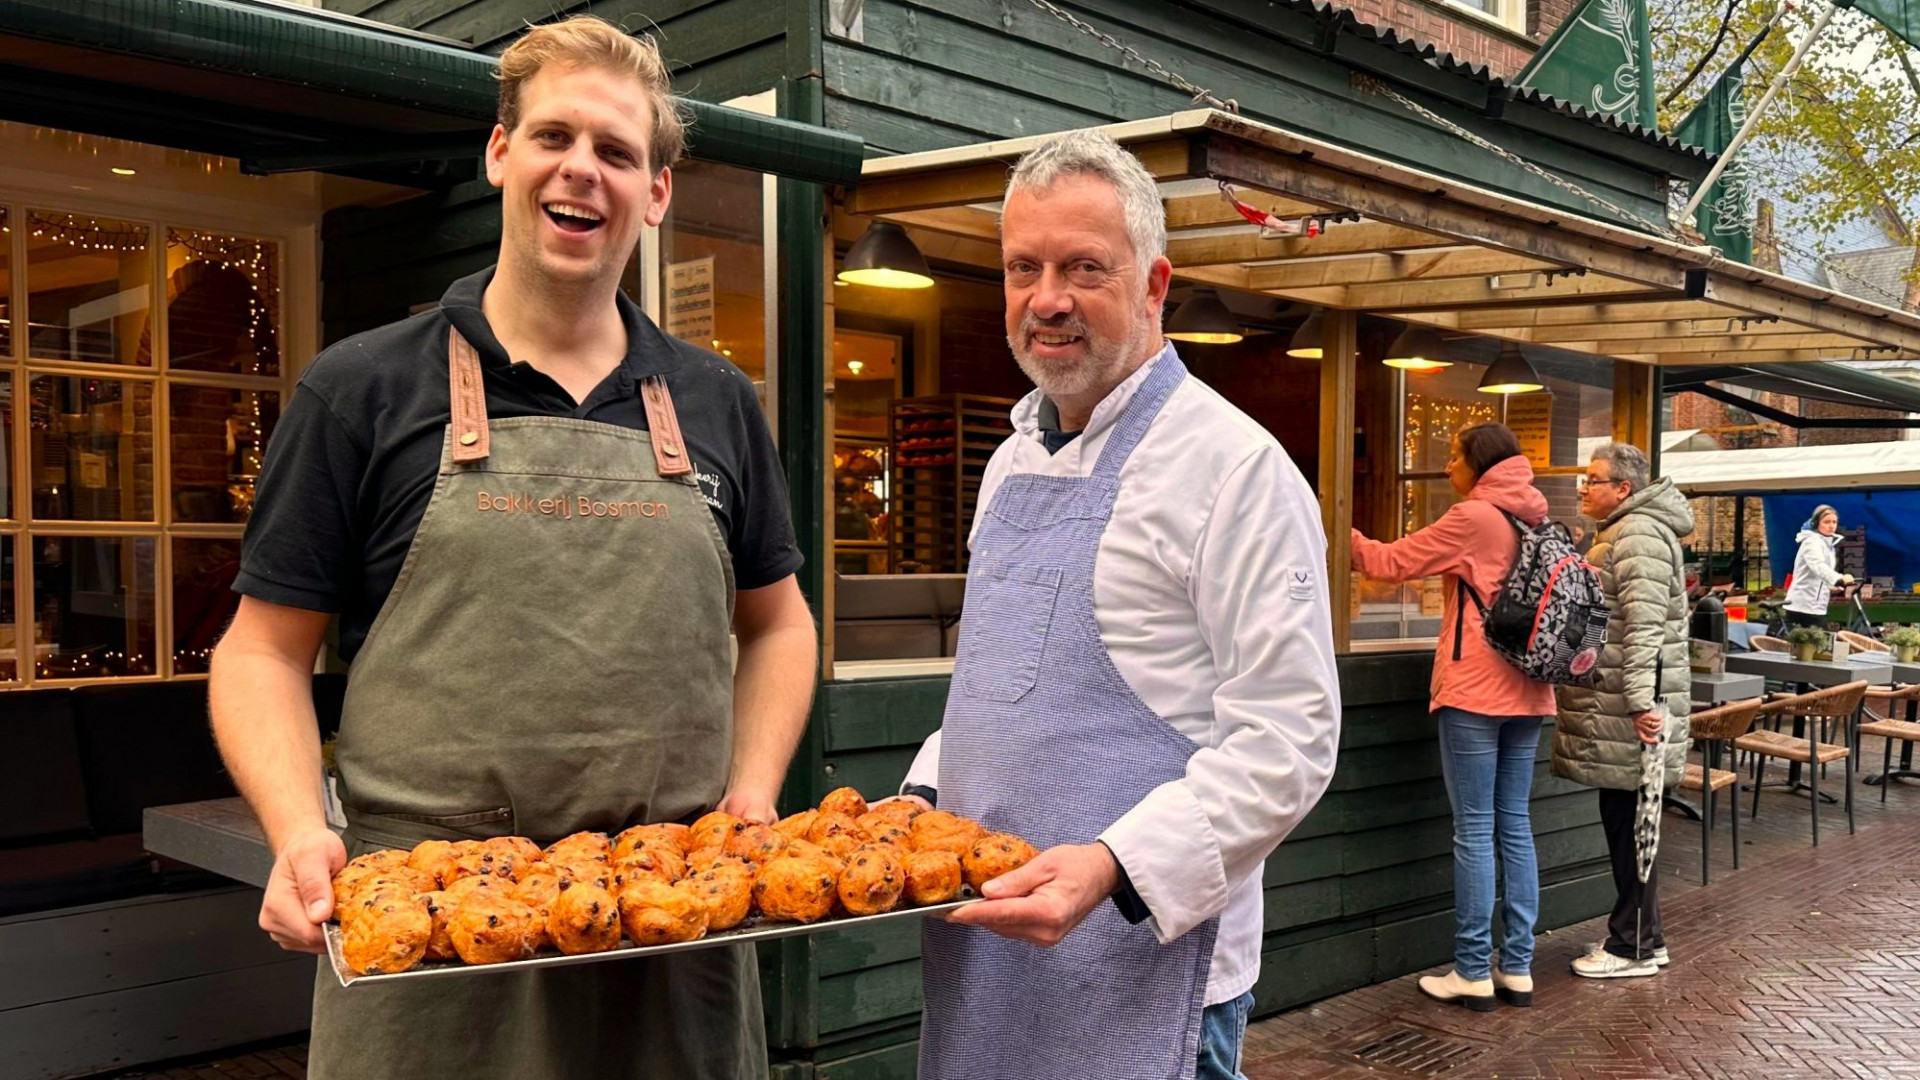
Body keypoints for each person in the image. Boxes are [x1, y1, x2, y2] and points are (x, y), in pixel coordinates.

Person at [207, 17, 817, 1078]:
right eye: (554, 136)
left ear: (656, 192)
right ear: (501, 155)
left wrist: (753, 795)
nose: (583, 169)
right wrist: (299, 828)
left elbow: (779, 623)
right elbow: (260, 652)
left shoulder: (716, 400)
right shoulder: (361, 391)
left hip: (673, 943)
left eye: (619, 152)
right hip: (435, 948)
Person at [891, 130, 1341, 1080]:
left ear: (1153, 285)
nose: (1046, 298)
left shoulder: (1237, 470)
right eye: (1023, 267)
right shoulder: (1010, 461)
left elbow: (1290, 741)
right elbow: (996, 694)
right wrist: (920, 804)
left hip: (1145, 960)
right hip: (986, 952)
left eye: (1083, 267)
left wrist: (1109, 867)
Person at [1349, 422, 1554, 1012]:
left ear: (1478, 463)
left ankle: (1470, 969)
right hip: (1532, 689)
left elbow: (1389, 564)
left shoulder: (1475, 518)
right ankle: (1516, 967)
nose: (1447, 469)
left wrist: (1335, 524)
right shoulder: (1534, 515)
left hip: (1476, 691)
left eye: (1454, 457)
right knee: (1513, 826)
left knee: (1473, 832)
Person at [1553, 442, 1691, 979]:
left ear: (1623, 489)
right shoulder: (1627, 532)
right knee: (1632, 821)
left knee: (1633, 823)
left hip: (1629, 709)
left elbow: (1644, 627)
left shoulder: (1636, 535)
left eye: (1593, 479)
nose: (1583, 488)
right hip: (1621, 707)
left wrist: (1637, 703)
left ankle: (1630, 946)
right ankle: (1644, 937)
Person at [1785, 504, 1852, 628]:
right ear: (1817, 523)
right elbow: (1817, 566)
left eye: (1834, 522)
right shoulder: (1811, 542)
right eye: (1826, 522)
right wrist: (1838, 578)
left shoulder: (1827, 544)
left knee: (1815, 642)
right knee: (1818, 641)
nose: (1831, 525)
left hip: (1816, 605)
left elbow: (1820, 576)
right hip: (1803, 604)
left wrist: (1831, 586)